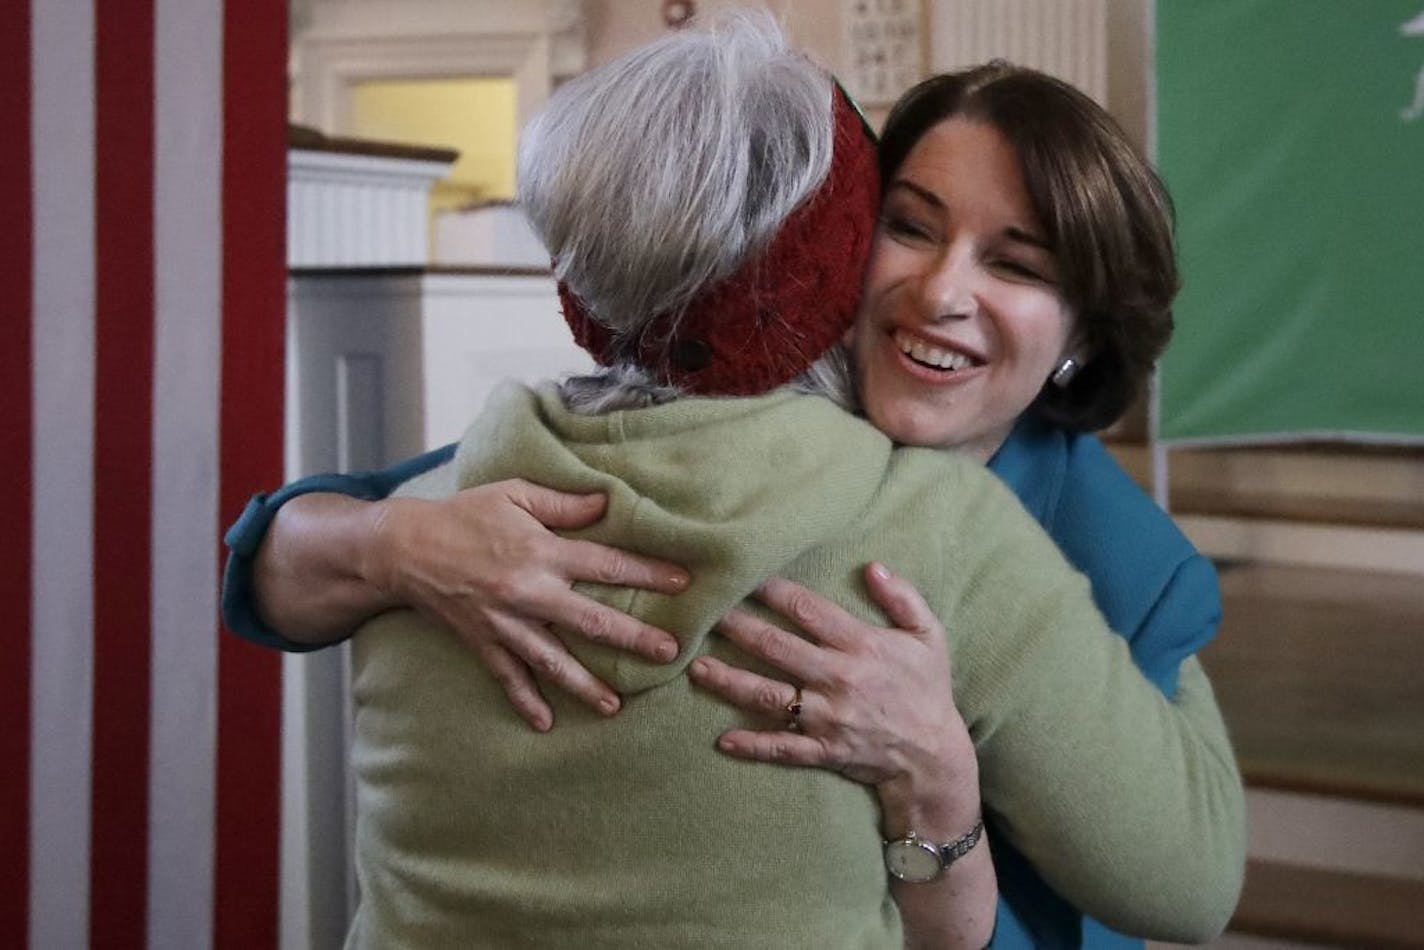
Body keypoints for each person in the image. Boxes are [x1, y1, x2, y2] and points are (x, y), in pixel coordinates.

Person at [224, 19, 1243, 950]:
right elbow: (272, 559)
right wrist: (391, 546)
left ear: (1078, 333)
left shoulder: (1120, 565)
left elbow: (1177, 885)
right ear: (835, 238)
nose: (940, 291)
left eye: (1014, 264)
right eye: (912, 226)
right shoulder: (626, 440)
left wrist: (939, 789)